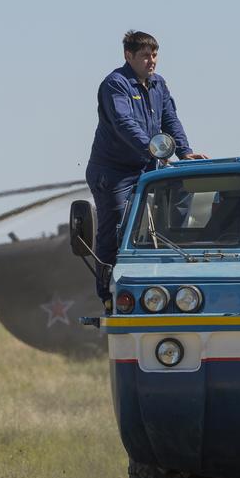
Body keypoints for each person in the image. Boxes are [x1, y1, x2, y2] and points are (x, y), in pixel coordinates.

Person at [86, 30, 206, 307]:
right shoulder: (115, 85)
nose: (151, 61)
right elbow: (124, 124)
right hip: (114, 171)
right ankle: (109, 294)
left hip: (149, 166)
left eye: (154, 55)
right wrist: (155, 149)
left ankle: (168, 282)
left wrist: (184, 152)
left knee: (178, 207)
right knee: (116, 225)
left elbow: (170, 119)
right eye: (144, 56)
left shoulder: (158, 84)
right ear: (129, 56)